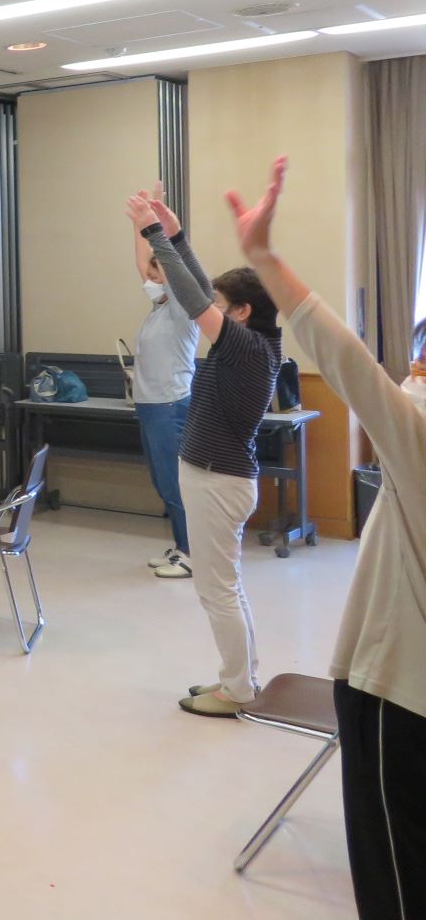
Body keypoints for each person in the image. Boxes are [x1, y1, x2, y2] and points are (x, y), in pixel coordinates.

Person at [225, 157, 423, 918]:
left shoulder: (419, 446)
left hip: (398, 693)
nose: (413, 371)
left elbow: (353, 368)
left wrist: (266, 258)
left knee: (396, 882)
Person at [126, 189, 282, 718]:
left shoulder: (246, 347)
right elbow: (198, 291)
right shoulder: (254, 342)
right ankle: (240, 679)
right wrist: (175, 235)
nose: (210, 311)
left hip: (218, 480)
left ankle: (237, 690)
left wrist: (154, 236)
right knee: (225, 589)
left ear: (243, 312)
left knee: (217, 592)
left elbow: (192, 299)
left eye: (221, 305)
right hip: (217, 477)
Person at [129, 182, 200, 579]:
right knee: (163, 482)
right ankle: (180, 546)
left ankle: (192, 553)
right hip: (150, 405)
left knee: (175, 483)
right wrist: (139, 223)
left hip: (170, 405)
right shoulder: (159, 308)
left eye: (156, 274)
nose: (149, 277)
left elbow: (170, 269)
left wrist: (157, 227)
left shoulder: (182, 310)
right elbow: (144, 264)